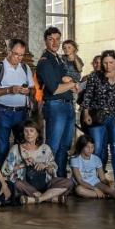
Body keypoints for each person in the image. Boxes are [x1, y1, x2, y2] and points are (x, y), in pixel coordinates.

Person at [81, 49, 115, 194]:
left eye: (111, 62)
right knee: (97, 149)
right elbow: (87, 97)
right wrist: (86, 113)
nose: (108, 65)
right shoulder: (94, 77)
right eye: (105, 62)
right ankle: (97, 180)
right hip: (98, 118)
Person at [36, 27, 79, 177]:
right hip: (55, 105)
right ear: (45, 41)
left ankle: (60, 178)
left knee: (65, 145)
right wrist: (72, 84)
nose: (55, 42)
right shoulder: (45, 61)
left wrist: (69, 82)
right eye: (51, 39)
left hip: (67, 105)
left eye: (57, 39)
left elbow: (64, 79)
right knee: (52, 146)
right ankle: (45, 179)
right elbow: (54, 88)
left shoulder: (58, 59)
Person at [1, 120, 72, 204]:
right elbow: (5, 171)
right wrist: (22, 164)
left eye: (32, 130)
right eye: (26, 131)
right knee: (17, 184)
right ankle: (49, 198)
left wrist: (45, 166)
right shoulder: (16, 149)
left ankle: (38, 199)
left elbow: (53, 169)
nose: (28, 134)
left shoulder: (45, 148)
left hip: (45, 184)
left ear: (37, 133)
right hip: (26, 185)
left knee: (68, 182)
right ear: (22, 133)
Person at [0, 38, 33, 166]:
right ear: (8, 51)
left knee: (21, 147)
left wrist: (26, 91)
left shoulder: (25, 67)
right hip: (3, 113)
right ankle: (1, 179)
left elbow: (31, 88)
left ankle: (18, 176)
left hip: (22, 113)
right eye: (16, 54)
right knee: (1, 148)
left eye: (22, 55)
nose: (19, 58)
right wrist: (9, 90)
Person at [70, 134, 115, 206]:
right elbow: (80, 180)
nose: (90, 150)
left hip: (96, 183)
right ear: (81, 147)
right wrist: (95, 189)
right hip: (83, 185)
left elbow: (102, 179)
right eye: (87, 147)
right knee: (79, 190)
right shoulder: (75, 160)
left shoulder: (96, 159)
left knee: (110, 190)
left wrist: (109, 182)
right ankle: (106, 195)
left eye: (92, 147)